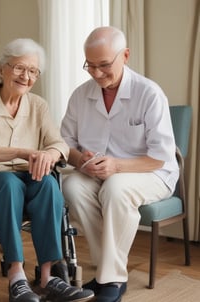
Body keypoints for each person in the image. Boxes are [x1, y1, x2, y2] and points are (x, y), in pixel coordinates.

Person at [0, 38, 94, 302]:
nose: (26, 76)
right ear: (1, 69)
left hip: (28, 177)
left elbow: (59, 144)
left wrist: (51, 153)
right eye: (19, 68)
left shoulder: (38, 105)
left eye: (33, 71)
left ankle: (48, 277)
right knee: (9, 183)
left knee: (48, 184)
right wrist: (21, 152)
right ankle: (17, 278)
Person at [60, 26, 178, 302]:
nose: (97, 74)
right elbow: (65, 144)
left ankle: (111, 279)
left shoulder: (149, 93)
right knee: (73, 186)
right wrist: (81, 160)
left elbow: (160, 156)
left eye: (104, 65)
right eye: (90, 66)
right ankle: (108, 272)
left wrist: (116, 166)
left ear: (125, 55)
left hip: (151, 172)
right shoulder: (80, 96)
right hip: (99, 173)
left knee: (115, 188)